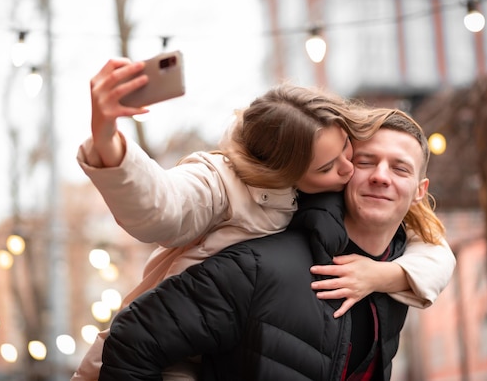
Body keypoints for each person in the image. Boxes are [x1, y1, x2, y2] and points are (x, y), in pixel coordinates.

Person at [74, 58, 455, 380]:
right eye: (357, 162)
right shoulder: (226, 187)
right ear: (291, 175)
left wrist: (384, 275)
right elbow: (160, 208)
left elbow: (436, 254)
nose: (350, 169)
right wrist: (107, 136)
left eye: (347, 151)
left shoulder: (378, 245)